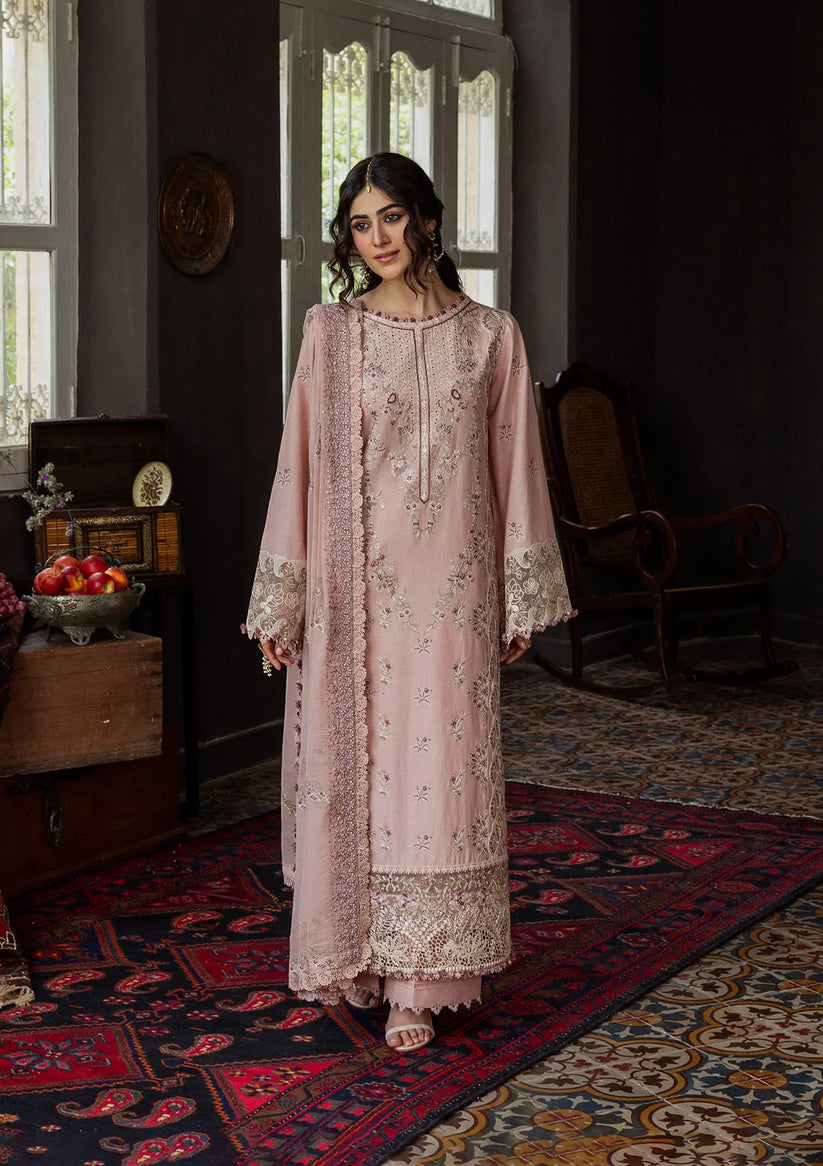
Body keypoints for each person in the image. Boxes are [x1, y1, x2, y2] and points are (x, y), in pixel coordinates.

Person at [244, 152, 573, 1053]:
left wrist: (515, 592)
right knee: (364, 777)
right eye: (360, 224)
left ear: (426, 218)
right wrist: (284, 599)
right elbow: (297, 466)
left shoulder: (492, 336)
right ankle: (360, 956)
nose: (377, 237)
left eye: (390, 216)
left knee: (439, 782)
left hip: (455, 595)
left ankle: (421, 983)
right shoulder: (332, 332)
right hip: (357, 597)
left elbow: (516, 466)